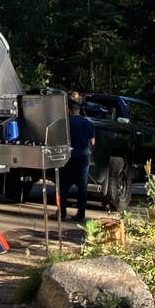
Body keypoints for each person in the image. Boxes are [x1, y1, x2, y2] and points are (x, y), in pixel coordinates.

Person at [59, 96, 95, 224]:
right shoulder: (89, 123)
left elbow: (60, 140)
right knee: (82, 187)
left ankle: (62, 212)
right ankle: (81, 213)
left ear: (69, 109)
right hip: (84, 157)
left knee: (63, 185)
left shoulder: (65, 123)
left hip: (69, 157)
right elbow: (93, 141)